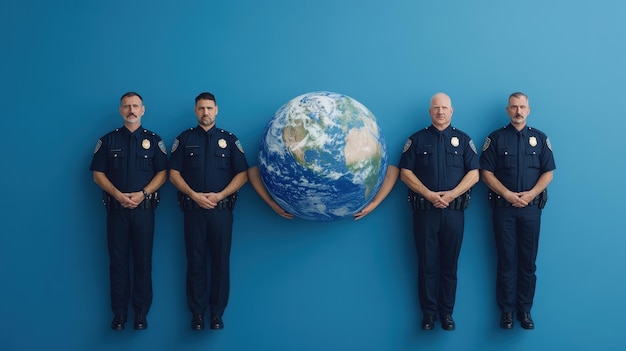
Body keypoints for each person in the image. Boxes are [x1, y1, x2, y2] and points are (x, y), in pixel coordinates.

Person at [399, 92, 479, 331]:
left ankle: (447, 313)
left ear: (452, 111)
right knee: (427, 265)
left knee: (449, 265)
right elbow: (405, 173)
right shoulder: (417, 139)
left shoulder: (463, 140)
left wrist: (452, 194)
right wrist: (429, 194)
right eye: (436, 108)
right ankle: (429, 314)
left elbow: (474, 173)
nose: (440, 112)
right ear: (430, 111)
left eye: (445, 108)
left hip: (454, 213)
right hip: (425, 213)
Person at [169, 92, 249, 331]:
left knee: (220, 263)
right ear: (195, 111)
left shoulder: (230, 140)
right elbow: (173, 174)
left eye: (209, 108)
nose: (205, 112)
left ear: (217, 110)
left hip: (221, 212)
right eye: (201, 108)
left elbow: (243, 174)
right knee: (195, 263)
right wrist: (194, 195)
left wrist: (220, 195)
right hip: (193, 211)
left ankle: (216, 314)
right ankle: (198, 314)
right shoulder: (184, 140)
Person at [90, 92, 168, 331]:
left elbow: (163, 173)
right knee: (118, 262)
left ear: (143, 110)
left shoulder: (155, 141)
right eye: (126, 106)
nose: (131, 110)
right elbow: (97, 174)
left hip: (144, 211)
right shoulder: (108, 141)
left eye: (135, 106)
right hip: (117, 211)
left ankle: (141, 314)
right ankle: (120, 314)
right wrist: (117, 194)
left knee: (143, 263)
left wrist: (143, 193)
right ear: (120, 110)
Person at [479, 92, 555, 330]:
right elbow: (485, 173)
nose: (518, 111)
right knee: (506, 261)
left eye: (522, 107)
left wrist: (531, 194)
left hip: (531, 210)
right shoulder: (496, 138)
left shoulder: (540, 139)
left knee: (528, 262)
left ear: (529, 110)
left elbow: (548, 172)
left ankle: (525, 310)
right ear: (507, 110)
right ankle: (507, 312)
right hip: (504, 210)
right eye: (514, 107)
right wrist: (507, 194)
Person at [246, 164, 399, 220]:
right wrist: (271, 202)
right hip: (298, 215)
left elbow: (392, 170)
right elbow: (253, 170)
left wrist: (374, 203)